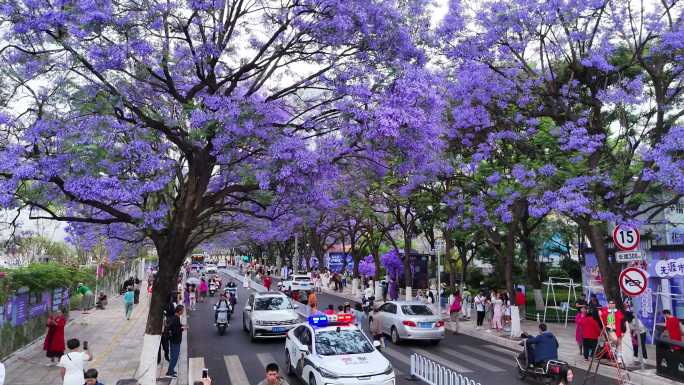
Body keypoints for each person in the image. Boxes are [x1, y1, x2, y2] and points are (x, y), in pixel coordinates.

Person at [166, 305, 187, 378]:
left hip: (173, 340)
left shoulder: (175, 317)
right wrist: (183, 329)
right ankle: (170, 372)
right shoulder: (176, 319)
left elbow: (177, 326)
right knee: (174, 357)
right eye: (183, 310)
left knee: (173, 357)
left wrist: (182, 325)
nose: (183, 312)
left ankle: (170, 370)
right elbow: (176, 331)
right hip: (175, 341)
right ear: (180, 311)